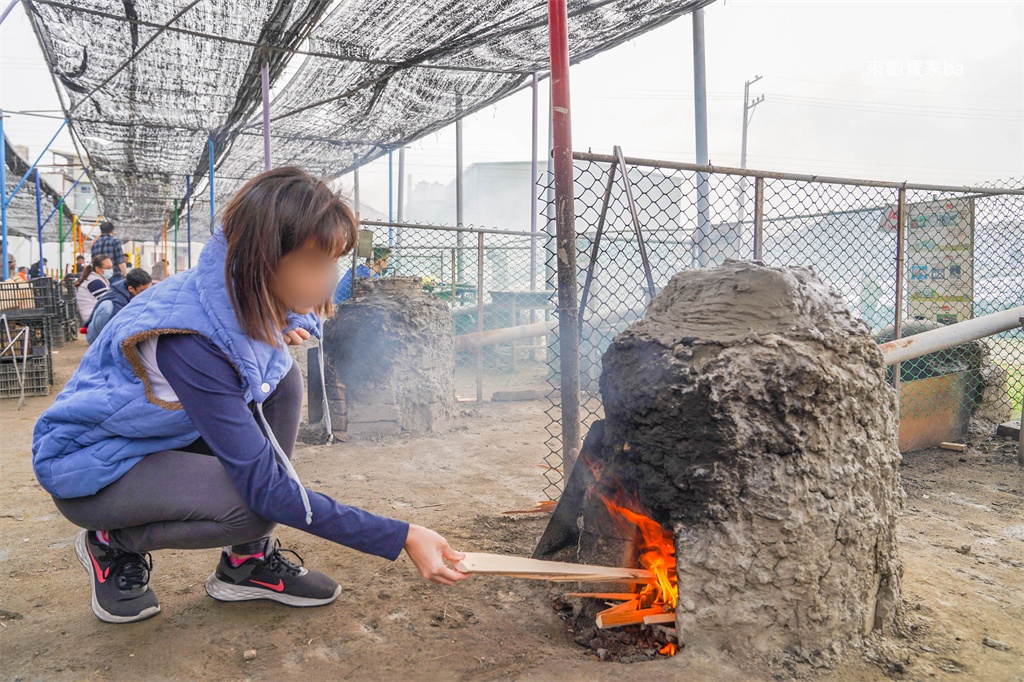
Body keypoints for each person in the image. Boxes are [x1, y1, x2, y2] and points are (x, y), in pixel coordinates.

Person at [32, 167, 468, 625]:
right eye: (315, 263)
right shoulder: (191, 339)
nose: (328, 279)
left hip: (155, 441)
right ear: (263, 258)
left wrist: (292, 325)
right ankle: (109, 542)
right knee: (254, 505)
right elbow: (267, 488)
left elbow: (302, 316)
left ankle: (245, 565)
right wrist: (399, 536)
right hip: (93, 467)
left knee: (282, 380)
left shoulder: (239, 290)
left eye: (333, 262)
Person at [85, 268, 153, 344]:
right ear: (130, 289)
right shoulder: (118, 300)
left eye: (149, 290)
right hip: (97, 336)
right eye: (143, 291)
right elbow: (117, 326)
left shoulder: (139, 293)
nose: (147, 293)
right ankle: (102, 343)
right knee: (107, 306)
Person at [74, 255, 113, 325]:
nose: (111, 270)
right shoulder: (95, 282)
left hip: (92, 318)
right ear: (98, 269)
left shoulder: (94, 278)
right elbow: (110, 301)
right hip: (93, 321)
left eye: (111, 268)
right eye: (108, 268)